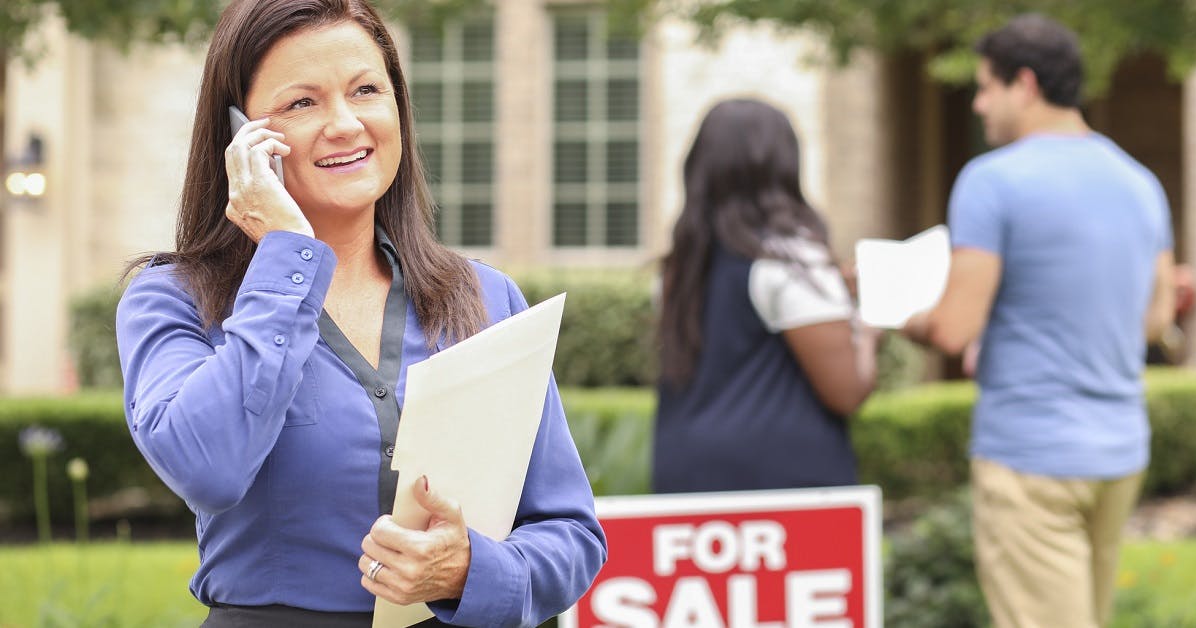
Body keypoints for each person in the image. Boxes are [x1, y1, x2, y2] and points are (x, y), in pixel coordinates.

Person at [114, 0, 606, 625]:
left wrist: (467, 571)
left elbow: (569, 532)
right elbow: (208, 468)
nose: (345, 124)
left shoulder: (485, 296)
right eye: (302, 103)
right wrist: (286, 256)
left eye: (366, 90)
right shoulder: (173, 298)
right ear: (240, 134)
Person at [902, 15, 1176, 628]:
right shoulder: (1141, 183)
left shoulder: (991, 181)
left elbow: (952, 329)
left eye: (984, 88)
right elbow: (1156, 319)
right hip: (1119, 452)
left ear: (1023, 84)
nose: (977, 105)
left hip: (1031, 457)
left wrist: (905, 316)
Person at [653, 98, 880, 493]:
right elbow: (847, 391)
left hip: (685, 480)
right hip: (782, 492)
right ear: (785, 166)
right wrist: (870, 328)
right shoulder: (792, 261)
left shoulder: (679, 270)